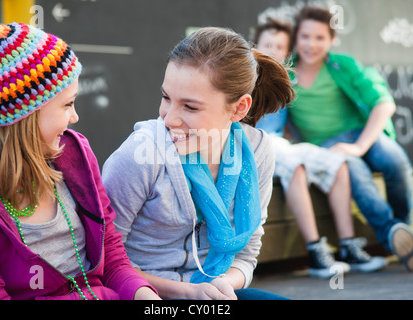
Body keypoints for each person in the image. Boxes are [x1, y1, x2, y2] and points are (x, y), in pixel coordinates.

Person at [0, 22, 160, 300]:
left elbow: (113, 257)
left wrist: (145, 296)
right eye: (67, 104)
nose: (75, 117)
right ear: (26, 115)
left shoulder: (76, 152)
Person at [102, 27, 294, 300]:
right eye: (166, 97)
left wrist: (219, 287)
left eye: (190, 107)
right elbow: (104, 261)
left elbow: (247, 254)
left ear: (240, 108)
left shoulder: (258, 149)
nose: (169, 119)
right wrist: (190, 291)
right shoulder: (139, 154)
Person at [254, 19, 386, 278]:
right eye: (268, 44)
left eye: (280, 47)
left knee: (335, 163)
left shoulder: (284, 82)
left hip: (280, 144)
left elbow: (287, 125)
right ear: (256, 46)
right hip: (254, 145)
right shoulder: (245, 77)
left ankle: (348, 245)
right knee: (295, 165)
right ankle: (315, 251)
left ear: (287, 52)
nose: (273, 51)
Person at [288, 6, 413, 271]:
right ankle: (394, 236)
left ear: (331, 41)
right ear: (296, 38)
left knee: (395, 161)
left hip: (361, 134)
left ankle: (404, 230)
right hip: (327, 145)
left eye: (320, 38)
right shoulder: (285, 75)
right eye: (305, 36)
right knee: (356, 173)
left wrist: (359, 145)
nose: (311, 44)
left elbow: (383, 103)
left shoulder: (344, 65)